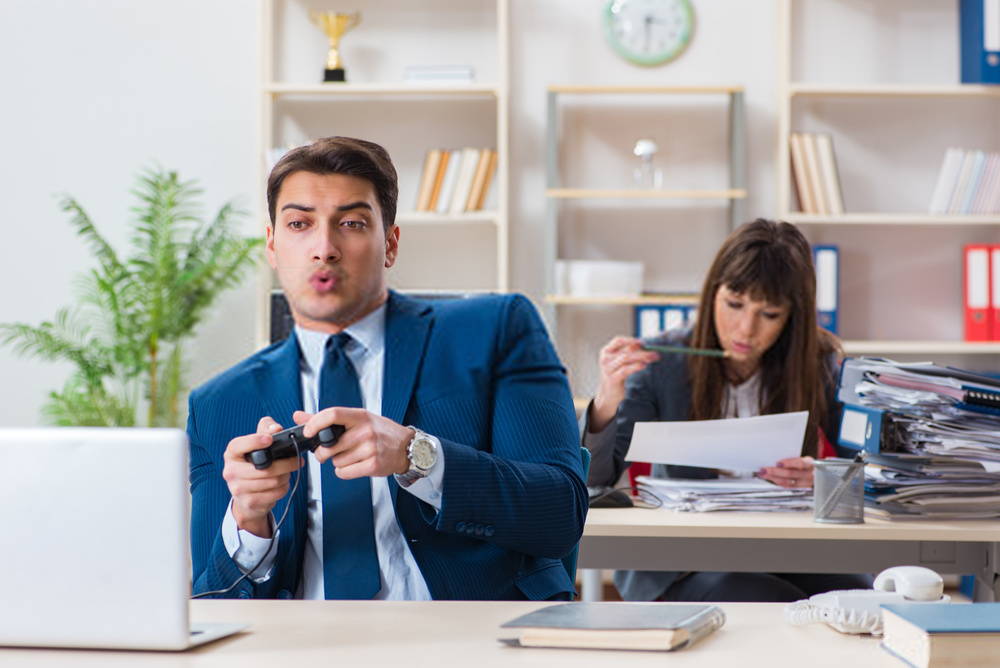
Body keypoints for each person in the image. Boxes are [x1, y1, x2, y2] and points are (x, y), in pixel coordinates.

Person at [188, 136, 587, 601]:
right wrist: (248, 521)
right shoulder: (219, 403)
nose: (325, 248)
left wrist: (418, 456)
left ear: (390, 244)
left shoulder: (496, 331)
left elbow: (559, 515)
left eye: (352, 223)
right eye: (299, 223)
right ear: (272, 246)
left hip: (468, 638)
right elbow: (213, 602)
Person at [582, 218, 872, 602]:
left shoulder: (816, 363)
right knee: (772, 601)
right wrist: (606, 400)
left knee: (859, 602)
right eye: (734, 305)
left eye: (769, 314)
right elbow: (595, 476)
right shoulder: (660, 361)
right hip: (684, 560)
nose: (745, 329)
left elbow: (867, 469)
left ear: (792, 318)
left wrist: (824, 476)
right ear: (712, 294)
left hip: (787, 546)